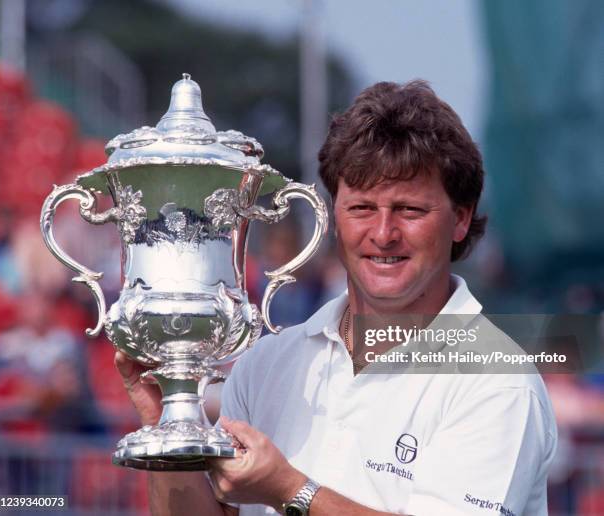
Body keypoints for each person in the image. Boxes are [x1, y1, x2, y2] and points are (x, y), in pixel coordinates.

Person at [116, 80, 557, 515]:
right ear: (333, 217)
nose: (383, 234)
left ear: (460, 219)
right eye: (362, 208)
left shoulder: (498, 381)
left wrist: (292, 490)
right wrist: (167, 428)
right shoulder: (266, 364)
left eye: (410, 210)